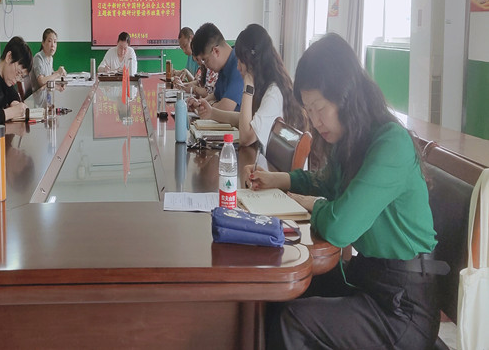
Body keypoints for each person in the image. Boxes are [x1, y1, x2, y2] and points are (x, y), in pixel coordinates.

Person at [244, 33, 442, 349]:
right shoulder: (352, 140)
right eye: (309, 110)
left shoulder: (391, 143)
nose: (315, 120)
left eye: (319, 108)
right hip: (369, 282)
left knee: (294, 320)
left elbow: (340, 228)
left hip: (402, 309)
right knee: (278, 293)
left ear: (347, 96)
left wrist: (313, 204)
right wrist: (277, 180)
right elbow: (324, 181)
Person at [193, 24, 307, 150]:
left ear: (251, 62)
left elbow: (246, 138)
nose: (238, 67)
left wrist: (248, 86)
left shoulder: (274, 92)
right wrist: (211, 112)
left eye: (240, 62)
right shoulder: (264, 86)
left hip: (268, 161)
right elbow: (243, 119)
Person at [188, 22, 244, 111]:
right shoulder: (223, 66)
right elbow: (216, 95)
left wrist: (203, 107)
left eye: (205, 60)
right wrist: (200, 102)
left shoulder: (239, 65)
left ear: (216, 51)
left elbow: (226, 107)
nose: (205, 65)